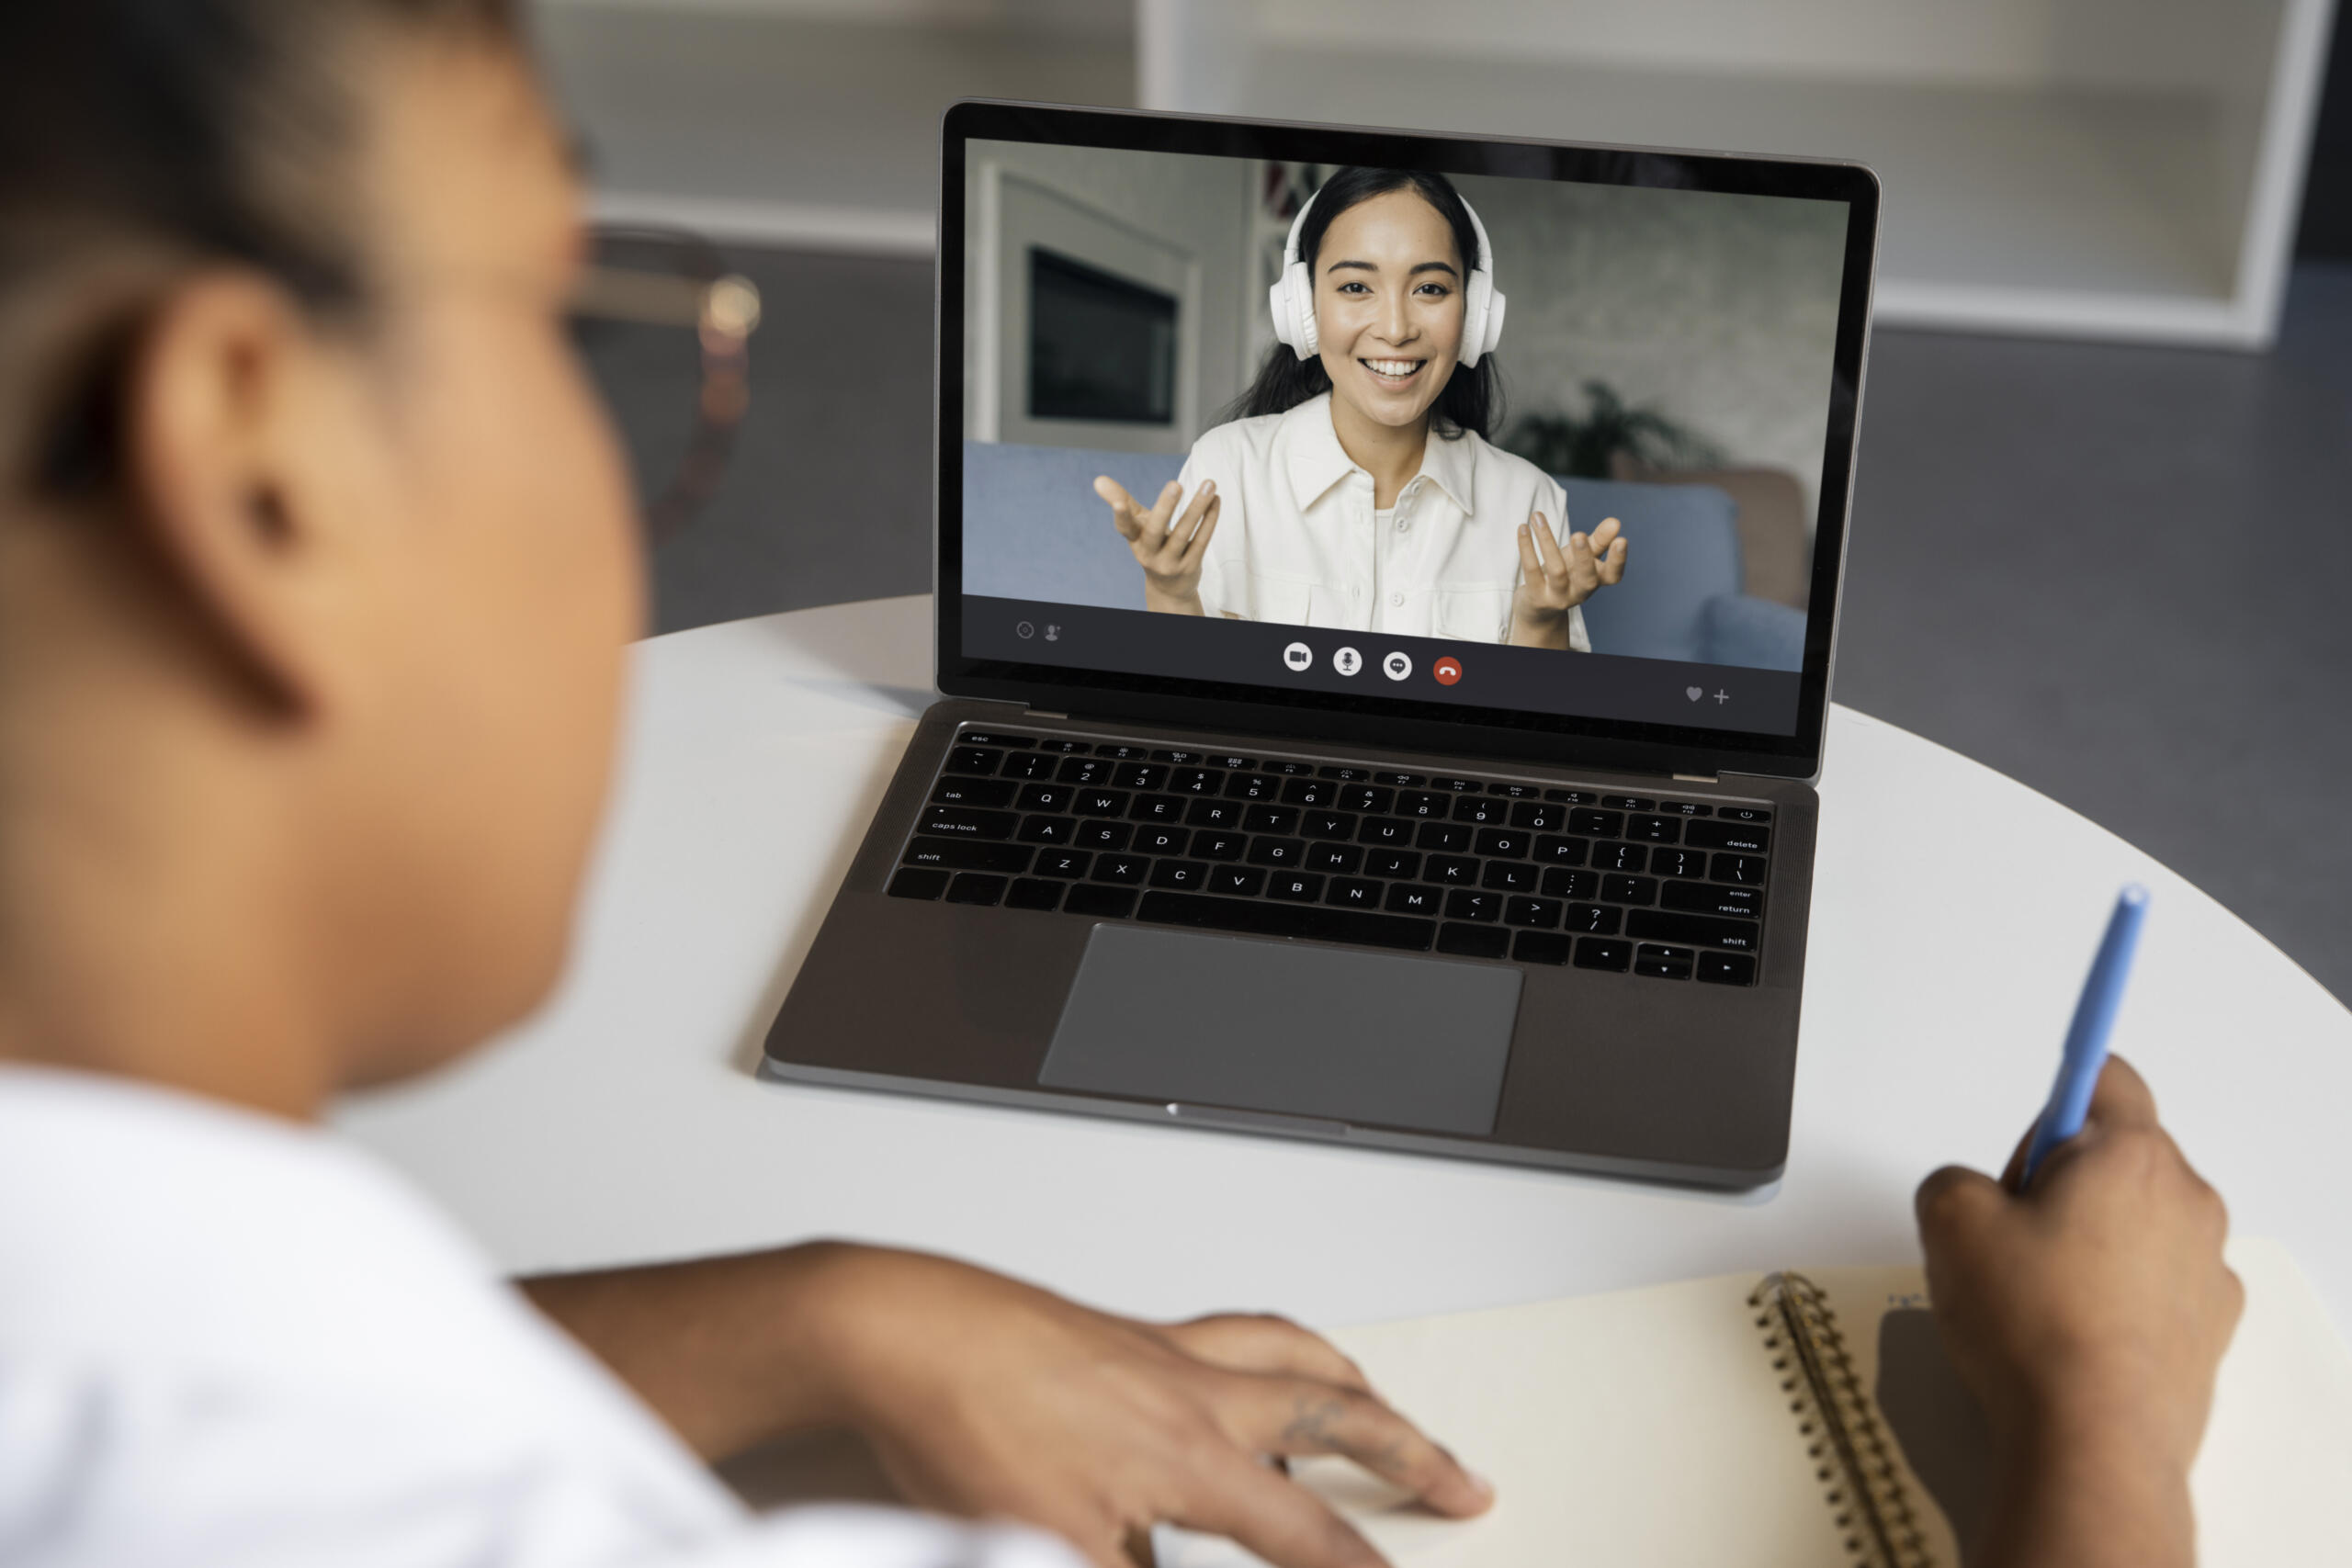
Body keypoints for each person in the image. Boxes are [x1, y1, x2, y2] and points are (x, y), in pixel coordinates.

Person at [0, 6, 2239, 1567]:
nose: (1389, 315)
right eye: (568, 324)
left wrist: (827, 1296)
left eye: (1426, 284)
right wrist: (2109, 1407)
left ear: (1463, 319)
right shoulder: (1218, 472)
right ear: (256, 468)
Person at [1091, 167, 1628, 650]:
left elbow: (1532, 739)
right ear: (1302, 310)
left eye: (1430, 288)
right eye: (1355, 286)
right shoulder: (1230, 468)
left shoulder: (1527, 500)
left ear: (1475, 316)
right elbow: (1185, 714)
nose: (1395, 329)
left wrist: (1538, 620)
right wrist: (1169, 593)